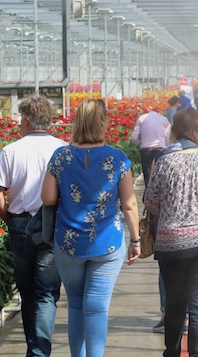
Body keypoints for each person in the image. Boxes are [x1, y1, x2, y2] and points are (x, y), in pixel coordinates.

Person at [41, 99, 141, 357]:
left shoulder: (60, 157)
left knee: (75, 306)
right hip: (107, 243)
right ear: (102, 122)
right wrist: (136, 240)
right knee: (97, 308)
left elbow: (48, 199)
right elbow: (129, 205)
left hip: (69, 243)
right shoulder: (117, 158)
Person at [144, 108, 198, 357]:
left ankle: (171, 352)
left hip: (172, 245)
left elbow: (150, 201)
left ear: (175, 130)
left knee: (175, 302)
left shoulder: (165, 161)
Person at [0, 96, 66, 357]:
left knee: (28, 292)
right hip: (52, 224)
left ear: (25, 121)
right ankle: (38, 350)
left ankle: (34, 349)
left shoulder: (11, 150)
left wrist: (10, 220)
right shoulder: (63, 150)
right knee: (46, 293)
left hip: (21, 224)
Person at [131, 108, 170, 188]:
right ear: (158, 112)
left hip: (146, 151)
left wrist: (141, 143)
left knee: (147, 179)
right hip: (160, 151)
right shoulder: (164, 119)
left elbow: (134, 138)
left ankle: (147, 197)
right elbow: (168, 137)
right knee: (161, 177)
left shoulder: (141, 118)